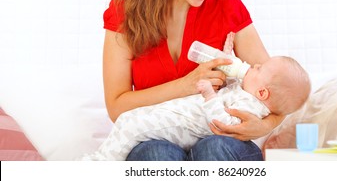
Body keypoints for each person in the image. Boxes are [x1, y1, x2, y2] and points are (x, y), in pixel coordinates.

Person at [103, 0, 286, 161]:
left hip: (219, 137)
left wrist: (265, 126)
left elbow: (278, 87)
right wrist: (186, 85)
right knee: (156, 153)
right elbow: (117, 107)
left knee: (214, 148)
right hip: (157, 137)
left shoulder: (228, 9)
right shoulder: (125, 13)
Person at [81, 55, 311, 160]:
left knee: (131, 124)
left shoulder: (250, 103)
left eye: (259, 68)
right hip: (177, 125)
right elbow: (230, 79)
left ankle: (102, 166)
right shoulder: (247, 90)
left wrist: (210, 95)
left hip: (189, 127)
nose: (254, 65)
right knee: (149, 146)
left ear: (262, 93)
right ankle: (102, 160)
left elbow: (226, 123)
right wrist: (227, 54)